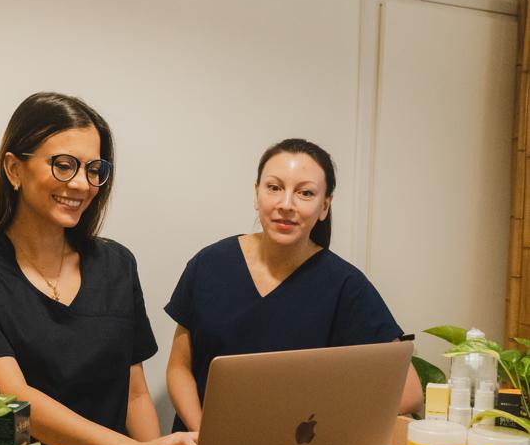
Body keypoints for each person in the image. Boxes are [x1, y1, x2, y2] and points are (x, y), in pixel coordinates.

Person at [0, 92, 196, 445]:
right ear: (14, 169)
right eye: (63, 165)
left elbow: (135, 394)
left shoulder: (116, 264)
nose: (81, 184)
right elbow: (13, 399)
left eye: (94, 169)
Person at [165, 137, 422, 429]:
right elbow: (179, 367)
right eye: (274, 188)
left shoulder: (345, 285)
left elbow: (409, 391)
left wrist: (312, 423)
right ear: (256, 194)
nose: (286, 204)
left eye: (305, 193)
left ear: (325, 206)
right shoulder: (210, 264)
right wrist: (202, 434)